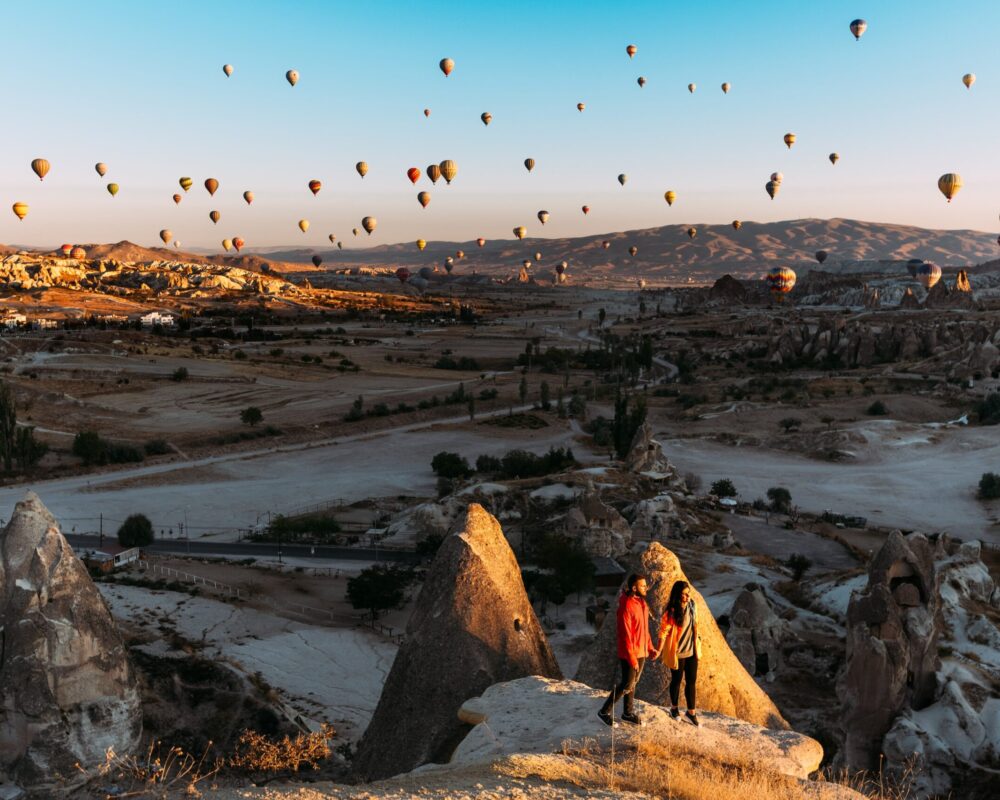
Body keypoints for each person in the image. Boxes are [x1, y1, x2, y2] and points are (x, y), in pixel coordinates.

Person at [598, 573, 656, 726]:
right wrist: (632, 658)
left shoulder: (642, 603)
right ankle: (604, 711)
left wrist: (650, 648)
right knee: (626, 684)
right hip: (630, 652)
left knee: (633, 683)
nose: (646, 588)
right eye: (643, 586)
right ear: (634, 587)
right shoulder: (627, 604)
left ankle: (627, 713)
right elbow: (626, 635)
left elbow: (644, 629)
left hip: (641, 651)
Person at [657, 579, 702, 726]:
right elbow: (663, 632)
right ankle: (674, 709)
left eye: (688, 593)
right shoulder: (671, 612)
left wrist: (697, 642)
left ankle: (691, 712)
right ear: (677, 595)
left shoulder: (692, 606)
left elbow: (695, 625)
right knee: (676, 681)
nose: (687, 597)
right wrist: (659, 649)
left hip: (691, 651)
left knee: (691, 682)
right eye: (684, 594)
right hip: (677, 653)